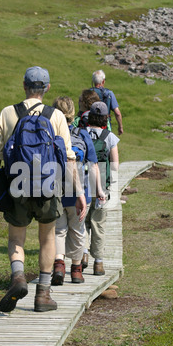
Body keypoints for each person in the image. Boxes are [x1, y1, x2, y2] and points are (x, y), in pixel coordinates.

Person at [0, 66, 87, 313]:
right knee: (46, 238)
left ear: (24, 85)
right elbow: (69, 158)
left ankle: (19, 277)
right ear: (47, 88)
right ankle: (43, 295)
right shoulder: (55, 116)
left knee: (16, 238)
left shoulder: (8, 113)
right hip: (47, 187)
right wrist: (80, 193)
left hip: (16, 185)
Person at [51, 96, 105, 286]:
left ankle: (58, 264)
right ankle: (76, 271)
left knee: (59, 230)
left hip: (56, 191)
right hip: (79, 191)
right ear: (73, 115)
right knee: (78, 230)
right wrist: (99, 190)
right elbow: (94, 165)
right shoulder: (81, 135)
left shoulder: (49, 135)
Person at [85, 101, 119, 275]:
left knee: (82, 222)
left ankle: (82, 255)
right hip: (101, 188)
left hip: (82, 184)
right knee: (98, 224)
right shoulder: (109, 137)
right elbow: (114, 166)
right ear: (106, 118)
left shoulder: (81, 133)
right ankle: (98, 263)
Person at [91, 69, 124, 135]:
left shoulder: (88, 93)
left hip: (90, 125)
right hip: (105, 125)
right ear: (103, 81)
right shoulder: (109, 93)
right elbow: (117, 113)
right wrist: (120, 127)